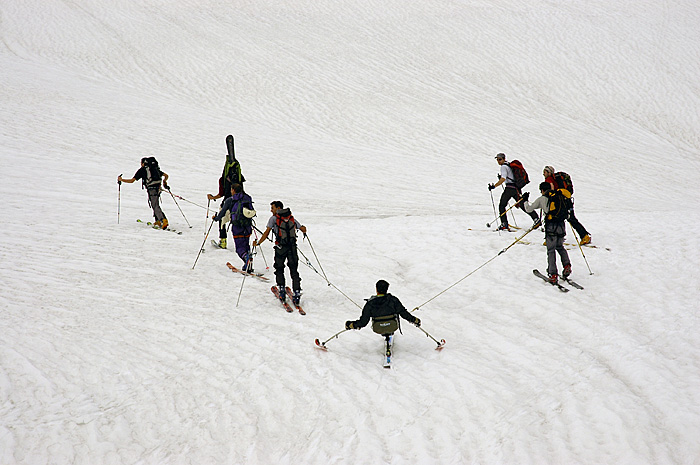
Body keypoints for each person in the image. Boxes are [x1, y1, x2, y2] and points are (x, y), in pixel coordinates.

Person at [345, 280, 421, 358]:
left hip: (378, 328)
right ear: (387, 289)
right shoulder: (393, 300)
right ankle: (388, 334)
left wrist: (351, 325)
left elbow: (363, 322)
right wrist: (415, 320)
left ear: (376, 289)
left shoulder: (370, 303)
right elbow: (404, 313)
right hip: (392, 326)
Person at [253, 201, 307, 304]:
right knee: (294, 270)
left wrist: (258, 243)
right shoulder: (290, 218)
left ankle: (281, 289)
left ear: (278, 208)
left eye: (272, 208)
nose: (271, 210)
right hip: (292, 248)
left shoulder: (274, 219)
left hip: (280, 248)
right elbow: (303, 229)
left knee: (279, 268)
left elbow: (266, 233)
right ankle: (296, 292)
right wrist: (303, 228)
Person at [522, 182, 572, 284]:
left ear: (542, 190)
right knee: (560, 246)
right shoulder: (559, 196)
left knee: (551, 250)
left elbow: (528, 209)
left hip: (551, 227)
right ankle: (567, 265)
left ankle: (553, 274)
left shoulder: (542, 199)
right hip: (561, 225)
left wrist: (525, 200)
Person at [489, 153, 540, 231]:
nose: (498, 161)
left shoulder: (503, 167)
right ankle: (536, 218)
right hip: (515, 188)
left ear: (503, 159)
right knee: (522, 204)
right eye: (497, 159)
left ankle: (504, 224)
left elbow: (503, 178)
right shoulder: (508, 165)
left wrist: (494, 186)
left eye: (500, 159)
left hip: (509, 188)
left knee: (502, 205)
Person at [207, 147, 245, 249]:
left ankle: (223, 241)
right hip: (240, 204)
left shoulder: (222, 180)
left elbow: (221, 194)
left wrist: (212, 197)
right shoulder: (240, 178)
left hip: (227, 204)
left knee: (222, 222)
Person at [543, 166, 591, 245]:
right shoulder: (556, 179)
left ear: (549, 173)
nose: (543, 174)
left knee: (554, 219)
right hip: (566, 201)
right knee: (570, 218)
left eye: (545, 172)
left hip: (559, 202)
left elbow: (551, 190)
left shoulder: (549, 179)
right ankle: (584, 236)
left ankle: (552, 239)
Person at [212, 184, 255, 271]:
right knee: (246, 245)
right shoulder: (248, 198)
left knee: (239, 248)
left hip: (237, 227)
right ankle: (248, 263)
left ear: (233, 190)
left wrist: (216, 218)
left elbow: (222, 213)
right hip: (247, 226)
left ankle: (246, 258)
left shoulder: (230, 200)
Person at [118, 157, 169, 229]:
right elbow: (166, 176)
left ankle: (163, 220)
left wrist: (121, 180)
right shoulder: (154, 169)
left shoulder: (142, 170)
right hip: (158, 188)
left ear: (143, 163)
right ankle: (157, 220)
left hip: (151, 189)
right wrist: (164, 182)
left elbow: (132, 180)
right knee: (154, 204)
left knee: (155, 205)